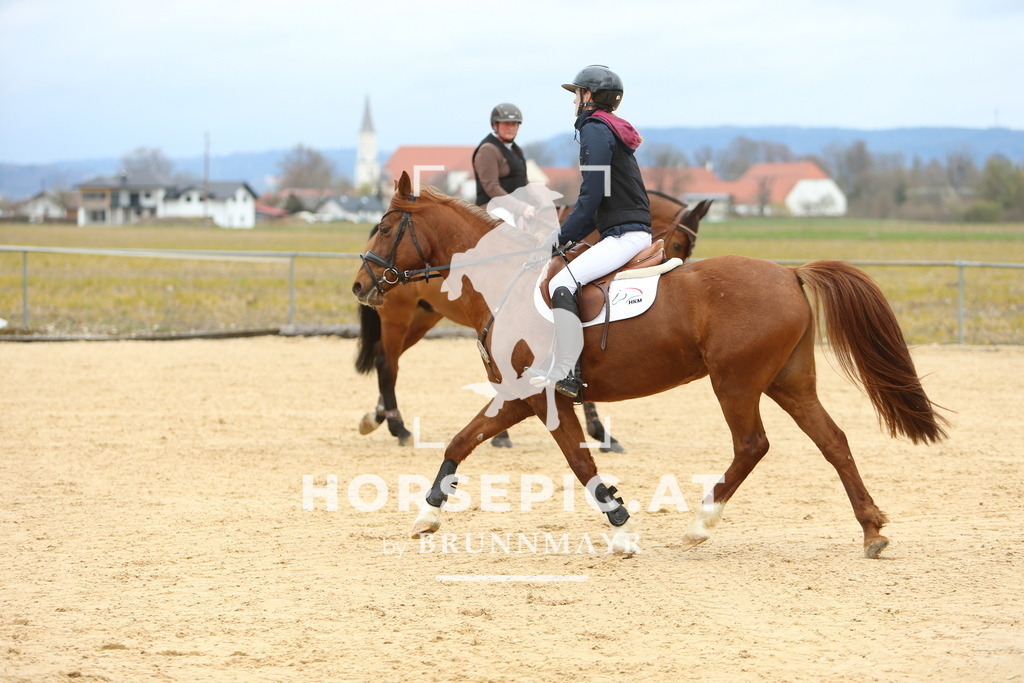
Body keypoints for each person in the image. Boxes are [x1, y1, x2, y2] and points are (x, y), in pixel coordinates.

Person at [526, 65, 652, 398]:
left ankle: (568, 370)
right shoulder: (610, 129)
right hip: (624, 229)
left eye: (577, 94)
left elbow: (592, 194)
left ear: (589, 96)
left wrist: (559, 238)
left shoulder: (595, 129)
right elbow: (597, 199)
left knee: (561, 282)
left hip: (625, 234)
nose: (574, 102)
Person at [472, 103, 529, 217]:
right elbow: (491, 187)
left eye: (514, 124)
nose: (511, 128)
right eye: (506, 124)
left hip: (516, 208)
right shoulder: (487, 149)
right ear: (494, 125)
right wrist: (520, 208)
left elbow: (524, 182)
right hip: (492, 209)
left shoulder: (516, 150)